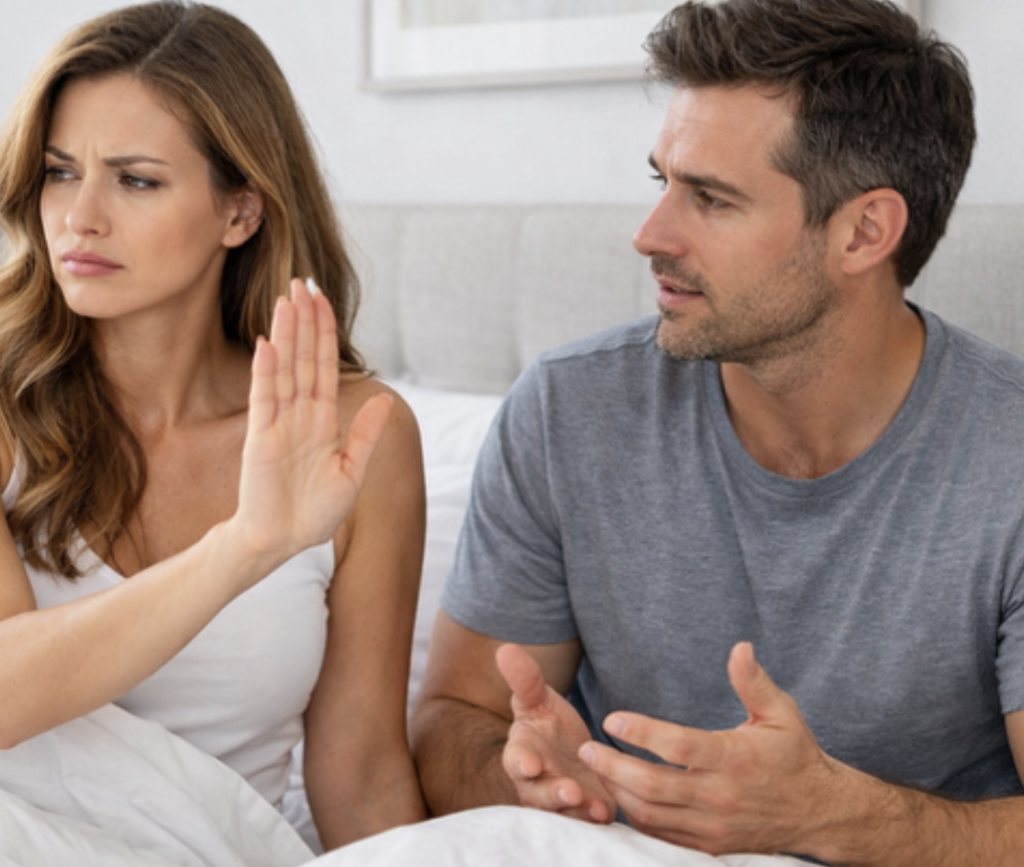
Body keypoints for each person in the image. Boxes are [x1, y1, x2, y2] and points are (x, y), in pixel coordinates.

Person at [410, 0, 1024, 863]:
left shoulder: (1007, 457)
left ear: (864, 231)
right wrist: (534, 782)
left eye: (711, 198)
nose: (649, 234)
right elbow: (455, 717)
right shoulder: (568, 410)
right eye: (661, 181)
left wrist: (831, 815)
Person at [0, 0, 426, 851]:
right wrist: (246, 546)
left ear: (241, 212)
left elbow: (361, 772)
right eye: (59, 172)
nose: (79, 217)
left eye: (135, 179)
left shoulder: (358, 436)